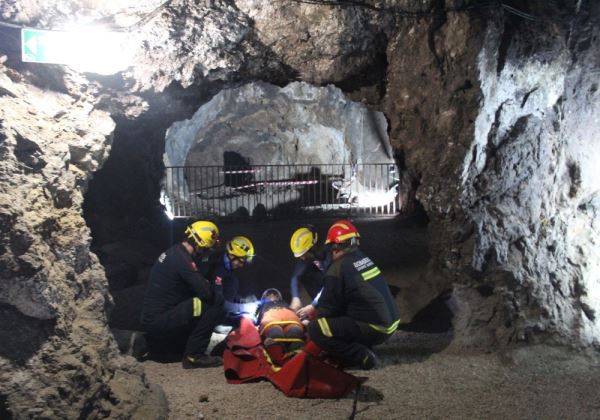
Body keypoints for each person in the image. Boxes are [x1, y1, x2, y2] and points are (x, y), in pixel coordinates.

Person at [301, 219, 400, 370]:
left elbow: (329, 309)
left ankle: (362, 356)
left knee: (317, 328)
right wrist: (313, 305)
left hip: (376, 327)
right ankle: (362, 344)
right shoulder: (362, 258)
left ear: (334, 247)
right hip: (391, 322)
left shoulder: (337, 269)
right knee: (344, 315)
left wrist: (309, 321)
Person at [140, 220, 224, 369]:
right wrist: (212, 285)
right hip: (159, 322)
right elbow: (206, 293)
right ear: (202, 243)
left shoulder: (175, 252)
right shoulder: (183, 261)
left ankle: (179, 346)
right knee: (214, 302)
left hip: (155, 319)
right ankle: (195, 356)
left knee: (194, 301)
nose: (209, 251)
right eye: (209, 247)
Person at [205, 235, 257, 324]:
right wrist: (242, 308)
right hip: (208, 317)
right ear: (232, 256)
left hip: (220, 313)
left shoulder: (228, 268)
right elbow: (217, 301)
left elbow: (227, 290)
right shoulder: (214, 267)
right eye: (240, 261)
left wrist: (241, 300)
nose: (241, 266)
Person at [288, 225, 331, 311]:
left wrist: (313, 306)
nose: (302, 258)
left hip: (337, 286)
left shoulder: (330, 252)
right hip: (324, 283)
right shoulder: (309, 256)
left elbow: (331, 285)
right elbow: (295, 277)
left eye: (304, 254)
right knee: (305, 273)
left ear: (312, 247)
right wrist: (295, 297)